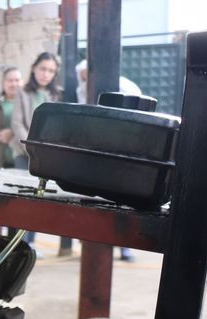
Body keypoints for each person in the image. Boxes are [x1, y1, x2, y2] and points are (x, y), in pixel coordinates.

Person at [76, 58, 139, 262]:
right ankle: (89, 239)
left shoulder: (125, 87)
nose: (85, 78)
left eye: (88, 73)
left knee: (122, 203)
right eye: (83, 75)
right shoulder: (82, 91)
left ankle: (125, 247)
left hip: (121, 153)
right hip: (95, 153)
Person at [10, 52, 61, 249]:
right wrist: (31, 148)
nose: (46, 74)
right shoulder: (22, 92)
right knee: (21, 198)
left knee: (39, 198)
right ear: (34, 68)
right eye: (43, 69)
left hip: (45, 157)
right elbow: (17, 123)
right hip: (24, 153)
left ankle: (29, 244)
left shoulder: (56, 95)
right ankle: (16, 244)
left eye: (51, 71)